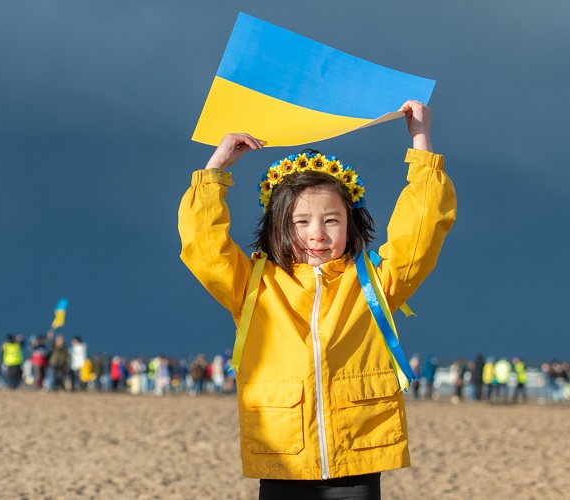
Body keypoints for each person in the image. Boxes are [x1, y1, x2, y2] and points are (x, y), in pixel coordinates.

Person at [179, 101, 456, 498]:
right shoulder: (253, 284)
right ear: (279, 225)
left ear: (350, 223)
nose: (317, 235)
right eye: (301, 222)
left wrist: (421, 142)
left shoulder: (375, 282)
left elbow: (422, 233)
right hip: (282, 454)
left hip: (358, 457)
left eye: (331, 220)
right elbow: (204, 248)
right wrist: (215, 169)